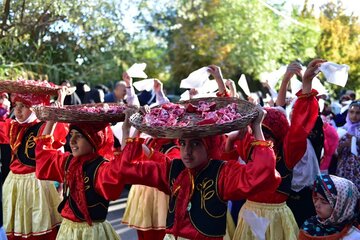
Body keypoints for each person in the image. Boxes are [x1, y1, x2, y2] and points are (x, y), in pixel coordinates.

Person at [119, 102, 281, 239]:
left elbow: (262, 173)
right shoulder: (171, 169)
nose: (187, 151)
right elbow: (127, 168)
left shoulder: (222, 174)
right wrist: (135, 129)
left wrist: (257, 128)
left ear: (209, 146)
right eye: (183, 143)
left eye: (196, 144)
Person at [225, 59, 325, 240]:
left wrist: (307, 83)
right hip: (249, 215)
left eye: (269, 134)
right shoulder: (250, 149)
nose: (264, 139)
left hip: (277, 218)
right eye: (260, 132)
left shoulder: (287, 154)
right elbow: (228, 122)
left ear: (279, 136)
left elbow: (299, 125)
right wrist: (232, 140)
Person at [0, 91, 68, 239]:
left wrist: (59, 103)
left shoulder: (43, 127)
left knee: (40, 227)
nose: (17, 110)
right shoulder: (11, 126)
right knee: (17, 228)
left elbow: (56, 148)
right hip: (14, 184)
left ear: (36, 108)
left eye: (24, 106)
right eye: (16, 105)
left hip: (37, 183)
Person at [299, 174, 360, 239]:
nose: (316, 205)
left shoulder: (354, 235)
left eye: (323, 201)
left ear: (341, 206)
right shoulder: (310, 225)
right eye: (316, 198)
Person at [335, 101, 360, 190]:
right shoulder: (342, 129)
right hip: (343, 169)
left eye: (358, 113)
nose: (354, 115)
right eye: (351, 112)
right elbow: (335, 152)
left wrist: (356, 140)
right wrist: (344, 144)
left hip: (357, 170)